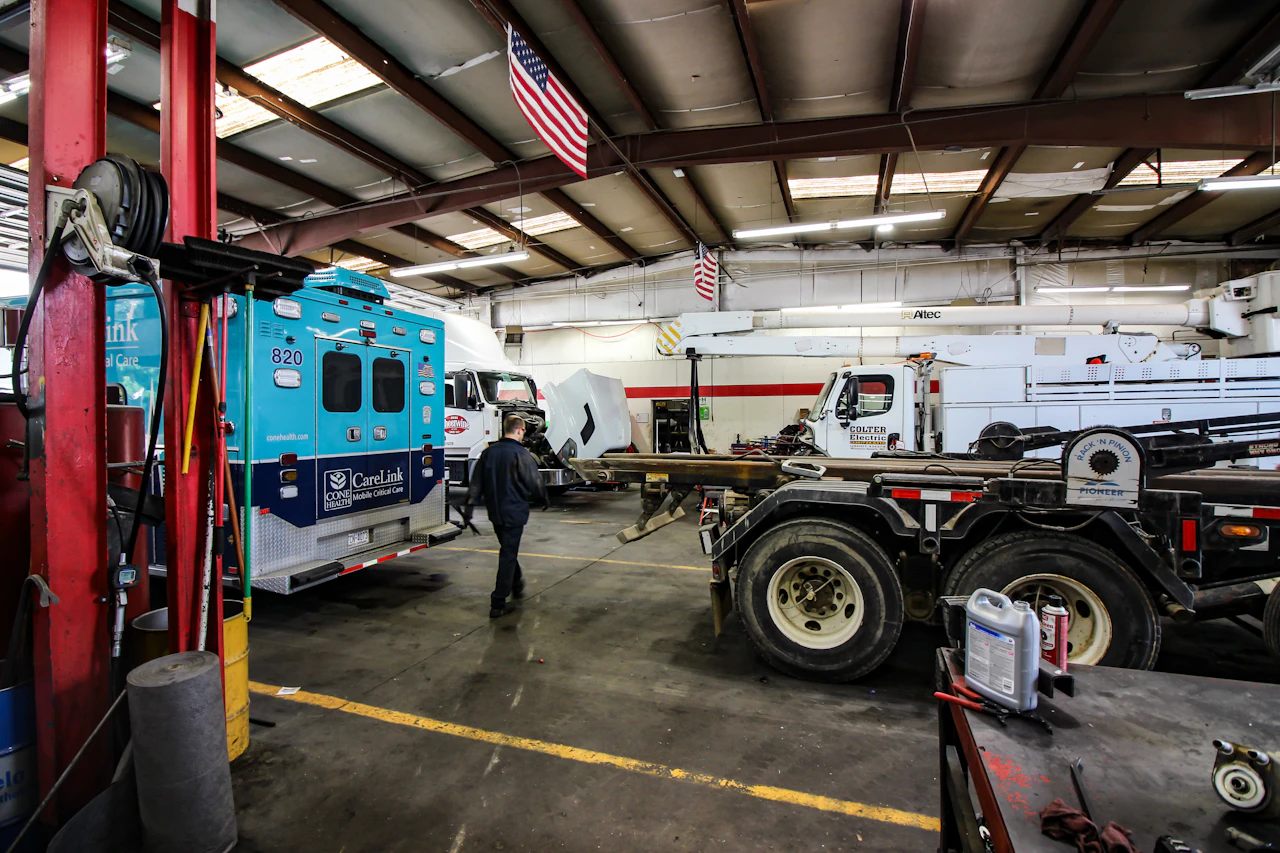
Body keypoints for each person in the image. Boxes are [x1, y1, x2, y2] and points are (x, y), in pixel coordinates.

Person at [467, 413, 550, 618]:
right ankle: (498, 602)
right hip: (514, 512)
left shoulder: (489, 453)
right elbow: (534, 482)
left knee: (508, 549)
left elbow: (476, 482)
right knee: (508, 553)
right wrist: (543, 499)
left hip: (495, 512)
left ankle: (517, 583)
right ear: (520, 431)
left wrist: (470, 507)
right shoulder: (521, 454)